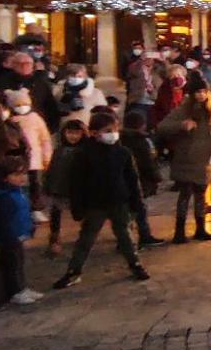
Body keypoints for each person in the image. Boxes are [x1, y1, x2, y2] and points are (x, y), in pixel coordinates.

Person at [53, 113, 149, 289]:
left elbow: (132, 180)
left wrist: (136, 203)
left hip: (119, 201)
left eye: (114, 130)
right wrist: (78, 207)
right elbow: (77, 183)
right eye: (108, 131)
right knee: (86, 238)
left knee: (125, 235)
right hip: (95, 204)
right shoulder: (84, 154)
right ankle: (74, 271)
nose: (112, 134)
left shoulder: (123, 153)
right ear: (93, 132)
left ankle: (135, 264)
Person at [158, 77, 211, 244]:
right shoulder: (183, 110)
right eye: (197, 92)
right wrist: (182, 125)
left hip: (206, 158)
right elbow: (163, 126)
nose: (200, 95)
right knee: (184, 194)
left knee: (200, 194)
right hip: (186, 157)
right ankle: (179, 231)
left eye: (203, 91)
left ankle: (201, 228)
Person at [0, 157, 44, 305]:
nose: (22, 178)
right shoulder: (3, 197)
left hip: (18, 235)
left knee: (19, 262)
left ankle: (22, 288)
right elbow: (4, 221)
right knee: (12, 264)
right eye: (16, 175)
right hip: (9, 238)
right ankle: (16, 291)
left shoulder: (18, 192)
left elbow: (23, 213)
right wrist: (10, 237)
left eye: (24, 174)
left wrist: (29, 228)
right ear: (4, 177)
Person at [4, 89, 51, 223]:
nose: (21, 107)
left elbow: (45, 139)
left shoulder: (36, 119)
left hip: (35, 160)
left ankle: (36, 209)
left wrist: (46, 156)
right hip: (18, 160)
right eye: (17, 105)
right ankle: (22, 209)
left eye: (24, 104)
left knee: (36, 185)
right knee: (20, 186)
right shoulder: (9, 121)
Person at [121, 111, 165, 247]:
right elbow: (148, 162)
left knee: (129, 210)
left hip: (124, 181)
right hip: (140, 180)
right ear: (141, 125)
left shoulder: (121, 139)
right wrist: (156, 177)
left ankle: (125, 238)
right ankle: (141, 237)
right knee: (139, 209)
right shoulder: (141, 141)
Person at [44, 120, 87, 256]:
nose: (72, 136)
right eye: (69, 133)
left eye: (76, 133)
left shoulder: (85, 151)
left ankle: (85, 238)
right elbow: (52, 169)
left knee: (83, 214)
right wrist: (48, 186)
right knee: (56, 213)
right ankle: (54, 238)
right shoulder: (59, 150)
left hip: (78, 189)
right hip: (59, 188)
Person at [0, 51, 61, 130]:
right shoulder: (3, 82)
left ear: (32, 66)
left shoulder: (40, 83)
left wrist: (51, 128)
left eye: (27, 63)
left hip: (37, 126)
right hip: (11, 128)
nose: (24, 66)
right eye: (20, 63)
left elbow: (50, 106)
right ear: (13, 65)